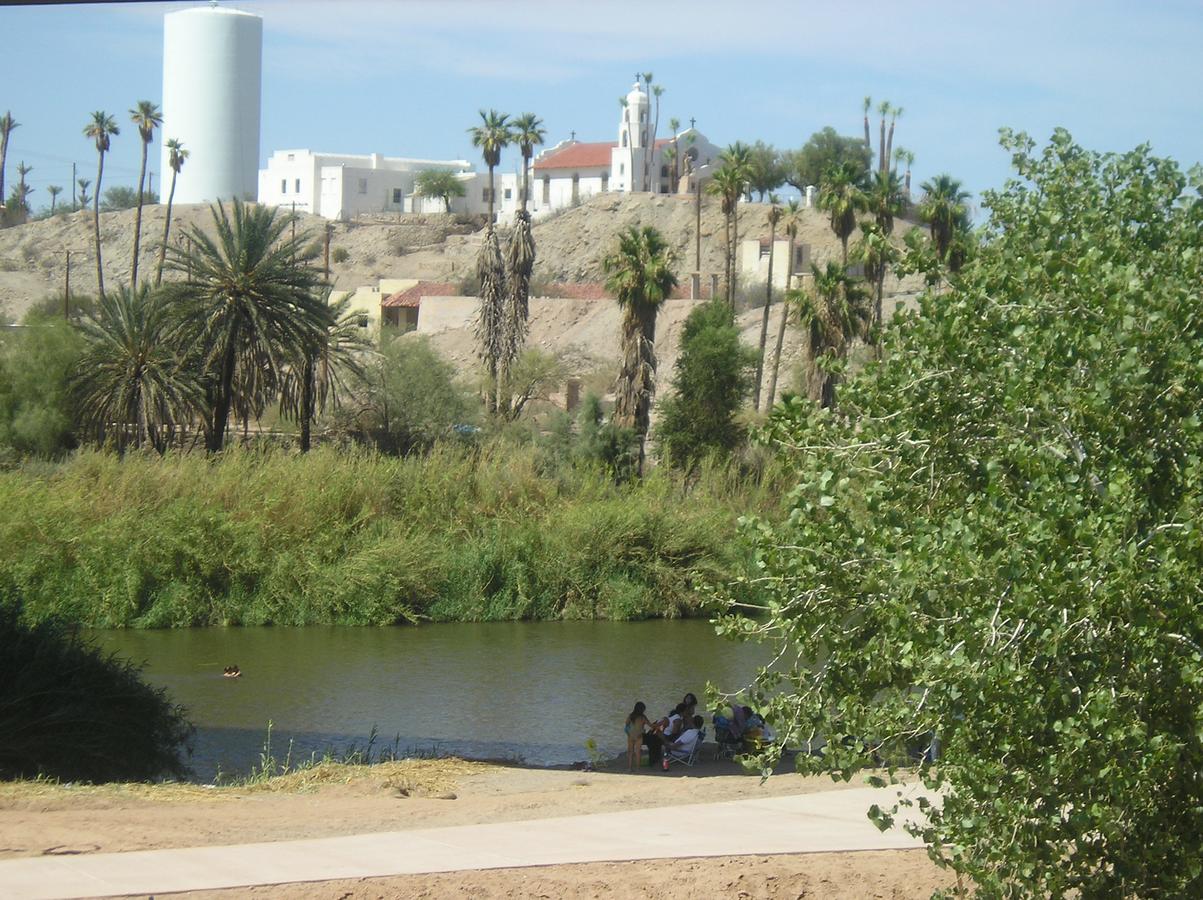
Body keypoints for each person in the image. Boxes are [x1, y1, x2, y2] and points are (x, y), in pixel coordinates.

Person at [624, 701, 652, 770]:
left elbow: (626, 724)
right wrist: (658, 724)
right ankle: (638, 768)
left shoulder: (631, 715)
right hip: (639, 736)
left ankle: (629, 768)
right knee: (638, 752)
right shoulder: (643, 717)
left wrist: (628, 733)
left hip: (630, 735)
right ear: (642, 709)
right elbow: (650, 725)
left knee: (630, 752)